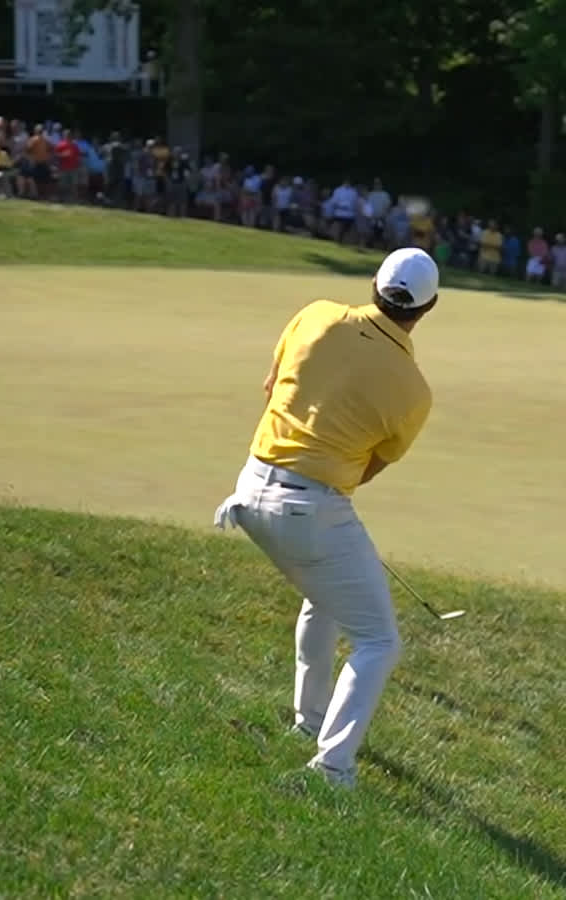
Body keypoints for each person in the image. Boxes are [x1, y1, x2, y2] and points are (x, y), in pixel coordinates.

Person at [212, 248, 440, 790]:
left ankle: (308, 721)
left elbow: (272, 391)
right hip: (310, 507)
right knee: (380, 641)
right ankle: (332, 769)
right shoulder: (414, 390)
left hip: (247, 487)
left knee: (327, 596)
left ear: (374, 284)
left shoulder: (315, 314)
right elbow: (367, 469)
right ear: (428, 310)